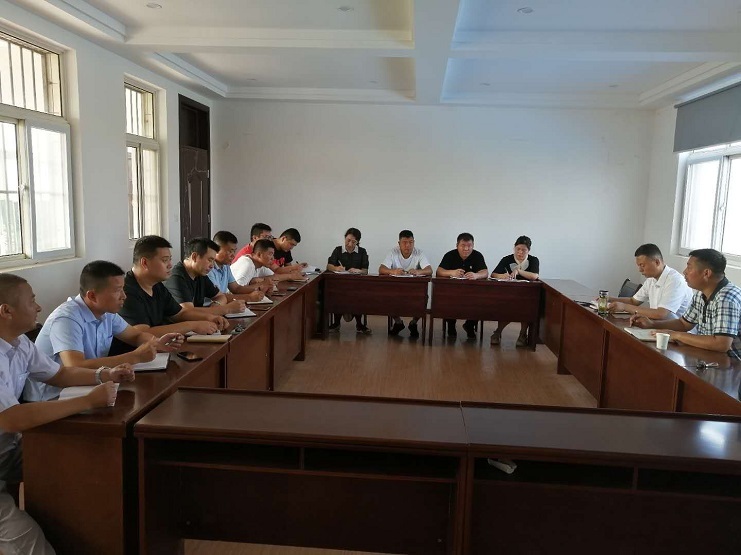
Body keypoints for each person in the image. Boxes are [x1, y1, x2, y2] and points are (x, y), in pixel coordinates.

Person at [0, 274, 134, 554]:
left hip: (8, 450)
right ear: (6, 311)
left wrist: (105, 374)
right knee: (29, 542)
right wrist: (87, 401)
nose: (38, 307)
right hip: (8, 442)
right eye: (32, 301)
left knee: (82, 465)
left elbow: (59, 374)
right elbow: (11, 418)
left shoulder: (19, 343)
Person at [25, 261, 183, 401]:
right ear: (92, 296)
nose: (124, 296)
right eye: (117, 290)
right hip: (51, 397)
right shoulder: (67, 319)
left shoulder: (107, 312)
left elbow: (135, 335)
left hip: (86, 386)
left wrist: (156, 343)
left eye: (123, 289)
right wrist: (134, 356)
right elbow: (75, 366)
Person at [631, 249, 741, 359]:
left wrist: (676, 335)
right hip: (709, 357)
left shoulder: (726, 299)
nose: (684, 272)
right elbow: (684, 324)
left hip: (732, 363)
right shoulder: (701, 294)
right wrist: (652, 324)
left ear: (706, 273)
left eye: (689, 267)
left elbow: (721, 344)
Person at [117, 235, 228, 342]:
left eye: (170, 259)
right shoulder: (125, 291)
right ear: (145, 263)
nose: (170, 265)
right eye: (165, 260)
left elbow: (179, 314)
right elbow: (142, 333)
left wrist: (209, 318)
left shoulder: (157, 286)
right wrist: (192, 325)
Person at [164, 237, 248, 316]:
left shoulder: (200, 274)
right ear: (194, 257)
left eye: (213, 261)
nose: (212, 266)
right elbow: (188, 312)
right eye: (209, 260)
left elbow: (220, 296)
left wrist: (216, 305)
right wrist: (226, 309)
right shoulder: (176, 277)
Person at [607, 243, 692, 319]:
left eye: (642, 265)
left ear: (657, 262)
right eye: (638, 266)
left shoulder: (675, 281)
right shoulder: (651, 279)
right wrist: (608, 299)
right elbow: (633, 301)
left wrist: (625, 307)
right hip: (658, 326)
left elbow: (660, 314)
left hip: (675, 330)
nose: (640, 270)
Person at [379, 230, 432, 338]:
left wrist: (418, 272)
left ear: (414, 242)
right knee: (386, 297)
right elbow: (381, 269)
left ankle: (413, 323)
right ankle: (398, 322)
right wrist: (393, 271)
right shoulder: (393, 252)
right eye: (404, 242)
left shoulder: (419, 253)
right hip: (395, 288)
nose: (408, 245)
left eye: (411, 242)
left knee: (424, 298)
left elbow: (429, 270)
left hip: (414, 289)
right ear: (399, 243)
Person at [489, 236, 540, 347]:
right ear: (514, 248)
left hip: (527, 295)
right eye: (518, 249)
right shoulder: (507, 259)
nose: (520, 252)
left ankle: (522, 334)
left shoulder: (533, 260)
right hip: (509, 293)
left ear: (529, 250)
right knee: (508, 307)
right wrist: (503, 276)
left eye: (523, 250)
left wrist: (519, 271)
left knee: (527, 308)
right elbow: (493, 274)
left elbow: (534, 276)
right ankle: (498, 332)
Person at [436, 232, 488, 339]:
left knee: (481, 301)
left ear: (473, 246)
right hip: (452, 292)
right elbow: (439, 271)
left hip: (472, 292)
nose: (466, 249)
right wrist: (451, 272)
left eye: (469, 246)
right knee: (447, 300)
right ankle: (451, 325)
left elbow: (485, 272)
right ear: (457, 245)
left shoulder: (477, 256)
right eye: (463, 245)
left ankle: (470, 325)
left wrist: (476, 275)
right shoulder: (450, 255)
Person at [327, 228, 372, 335]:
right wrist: (336, 268)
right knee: (337, 295)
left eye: (354, 242)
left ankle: (359, 324)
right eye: (348, 240)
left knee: (358, 296)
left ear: (358, 242)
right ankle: (336, 323)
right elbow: (329, 265)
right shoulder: (338, 250)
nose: (350, 244)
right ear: (345, 238)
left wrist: (358, 270)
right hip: (340, 285)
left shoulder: (362, 252)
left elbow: (365, 271)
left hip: (356, 285)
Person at [208, 231, 272, 301]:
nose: (233, 255)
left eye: (234, 251)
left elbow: (236, 288)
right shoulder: (208, 268)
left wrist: (260, 287)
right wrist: (249, 297)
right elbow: (218, 296)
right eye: (230, 251)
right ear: (216, 250)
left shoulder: (226, 267)